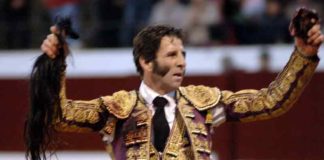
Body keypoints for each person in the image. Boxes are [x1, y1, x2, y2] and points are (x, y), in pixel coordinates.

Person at [27, 13, 323, 159]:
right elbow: (59, 115)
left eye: (183, 54)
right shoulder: (117, 110)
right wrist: (56, 66)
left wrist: (304, 55)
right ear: (146, 61)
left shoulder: (205, 103)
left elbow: (270, 101)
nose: (182, 62)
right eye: (171, 55)